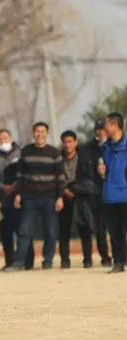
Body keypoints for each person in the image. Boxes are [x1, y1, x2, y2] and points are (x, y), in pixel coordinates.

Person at [6, 122, 66, 271]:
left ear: (47, 134)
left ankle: (47, 261)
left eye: (43, 132)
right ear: (33, 134)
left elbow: (60, 178)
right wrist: (18, 194)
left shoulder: (54, 152)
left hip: (50, 198)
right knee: (24, 231)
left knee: (51, 232)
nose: (40, 134)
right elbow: (20, 176)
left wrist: (60, 197)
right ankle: (19, 263)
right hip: (29, 197)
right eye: (37, 132)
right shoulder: (26, 151)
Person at [0, 129, 34, 270]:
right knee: (6, 233)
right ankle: (9, 261)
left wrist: (16, 187)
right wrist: (3, 188)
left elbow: (26, 173)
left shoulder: (20, 153)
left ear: (11, 138)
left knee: (23, 230)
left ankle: (28, 261)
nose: (3, 141)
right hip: (3, 199)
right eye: (0, 139)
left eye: (5, 137)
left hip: (20, 197)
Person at [58, 130, 96, 269]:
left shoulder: (84, 158)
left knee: (85, 229)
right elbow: (55, 178)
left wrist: (73, 189)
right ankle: (65, 260)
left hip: (81, 198)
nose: (67, 145)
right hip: (63, 198)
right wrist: (64, 191)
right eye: (65, 142)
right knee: (64, 231)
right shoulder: (58, 159)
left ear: (76, 142)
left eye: (70, 142)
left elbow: (89, 178)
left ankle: (87, 259)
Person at [97, 112, 127, 273]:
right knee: (114, 232)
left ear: (115, 125)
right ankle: (119, 262)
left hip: (125, 193)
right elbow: (104, 171)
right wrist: (102, 171)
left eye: (107, 124)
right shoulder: (105, 148)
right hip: (110, 194)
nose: (104, 128)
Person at [85, 120, 112, 266]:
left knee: (117, 226)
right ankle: (105, 257)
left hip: (115, 191)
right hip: (97, 192)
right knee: (100, 228)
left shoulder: (115, 145)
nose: (101, 132)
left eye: (103, 129)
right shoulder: (89, 148)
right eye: (98, 129)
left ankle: (121, 255)